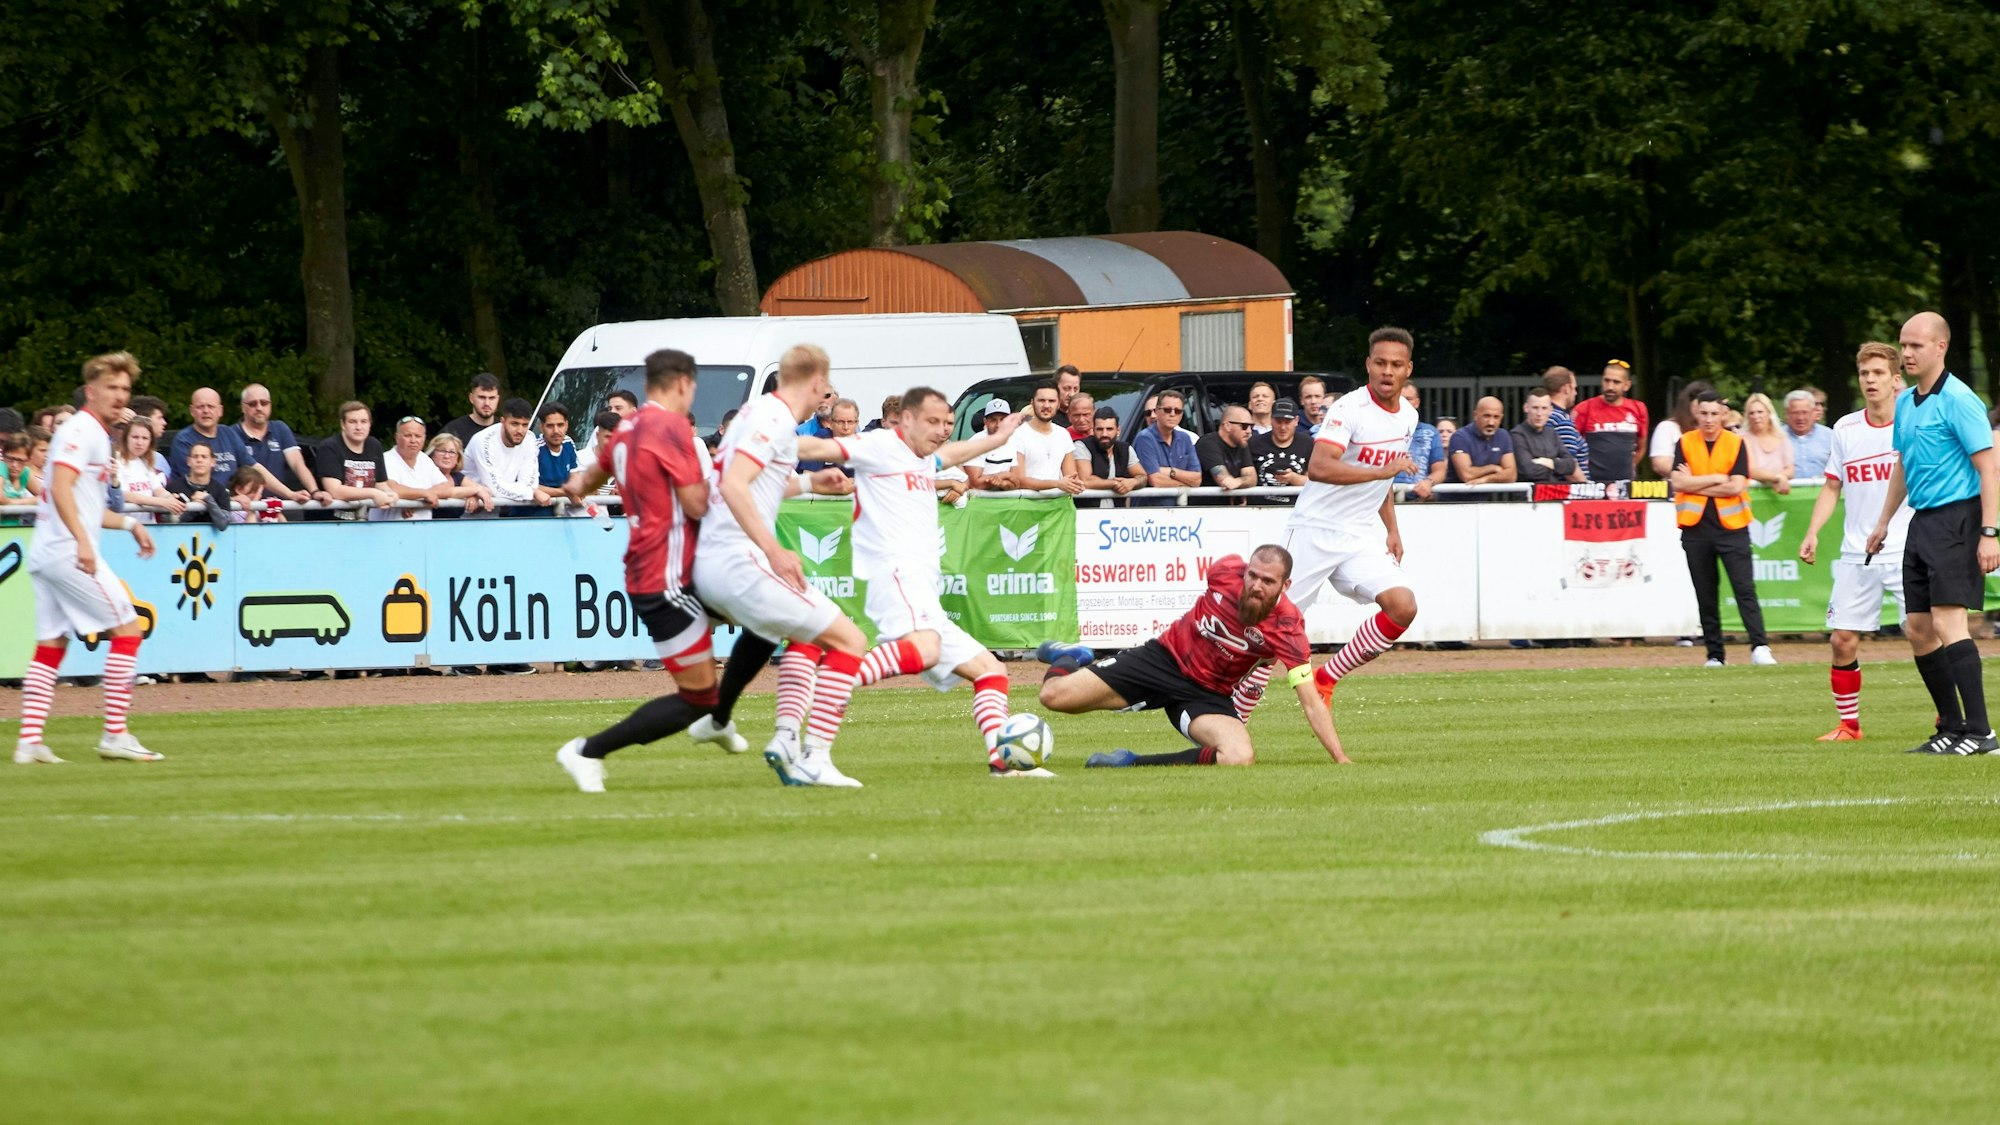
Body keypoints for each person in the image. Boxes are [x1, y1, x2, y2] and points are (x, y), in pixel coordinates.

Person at [812, 386, 1046, 777]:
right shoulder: (881, 444)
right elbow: (820, 450)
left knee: (990, 671)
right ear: (907, 419)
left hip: (923, 590)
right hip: (897, 575)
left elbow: (953, 454)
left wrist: (1001, 437)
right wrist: (759, 447)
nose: (942, 431)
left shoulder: (921, 459)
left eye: (948, 424)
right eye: (934, 422)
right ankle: (834, 679)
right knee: (926, 650)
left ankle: (1005, 762)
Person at [554, 349, 739, 792]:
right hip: (669, 575)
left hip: (659, 569)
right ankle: (586, 751)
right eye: (693, 385)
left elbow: (585, 480)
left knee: (771, 614)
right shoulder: (671, 427)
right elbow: (696, 503)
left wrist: (578, 486)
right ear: (682, 383)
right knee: (698, 695)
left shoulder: (627, 429)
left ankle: (720, 716)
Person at [694, 344, 875, 788]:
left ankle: (743, 726)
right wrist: (772, 550)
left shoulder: (760, 414)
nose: (826, 400)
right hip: (738, 562)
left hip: (715, 561)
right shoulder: (772, 419)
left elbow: (758, 481)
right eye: (826, 391)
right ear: (816, 383)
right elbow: (735, 486)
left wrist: (813, 480)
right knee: (850, 641)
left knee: (786, 631)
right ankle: (814, 757)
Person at [1036, 546, 1349, 766]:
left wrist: (1340, 757)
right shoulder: (1225, 571)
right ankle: (1070, 656)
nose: (1255, 585)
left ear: (1285, 585)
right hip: (1160, 660)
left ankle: (1130, 762)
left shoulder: (1287, 627)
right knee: (1053, 696)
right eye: (1252, 575)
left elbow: (1310, 700)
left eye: (1267, 581)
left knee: (1239, 756)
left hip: (1206, 695)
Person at [14, 351, 163, 765]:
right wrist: (82, 541)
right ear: (90, 391)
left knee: (51, 644)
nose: (120, 396)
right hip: (67, 552)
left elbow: (82, 502)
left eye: (125, 389)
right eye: (112, 388)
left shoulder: (92, 432)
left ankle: (29, 741)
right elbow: (59, 487)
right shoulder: (84, 430)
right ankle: (115, 734)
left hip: (47, 552)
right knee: (129, 629)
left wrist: (131, 525)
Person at [1865, 311, 2000, 756]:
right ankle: (1953, 727)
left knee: (1948, 621)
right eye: (1903, 345)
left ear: (1940, 347)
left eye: (1916, 345)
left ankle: (1981, 733)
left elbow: (1989, 467)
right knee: (1918, 627)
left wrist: (1989, 532)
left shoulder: (1961, 400)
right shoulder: (1905, 403)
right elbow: (1903, 465)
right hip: (1921, 521)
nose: (1906, 353)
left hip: (1957, 519)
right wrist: (1884, 522)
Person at [1282, 327, 1422, 718]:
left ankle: (1327, 679)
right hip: (1314, 528)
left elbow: (1386, 476)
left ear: (1408, 369)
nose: (1387, 371)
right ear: (1368, 365)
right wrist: (1381, 475)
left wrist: (1392, 529)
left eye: (1396, 364)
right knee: (1266, 637)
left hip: (1359, 535)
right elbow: (1320, 466)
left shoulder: (1408, 416)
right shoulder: (1348, 409)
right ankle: (1231, 715)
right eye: (1380, 363)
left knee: (1402, 606)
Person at [1799, 343, 1910, 741]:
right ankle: (1849, 726)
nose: (1870, 380)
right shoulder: (1845, 428)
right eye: (1865, 373)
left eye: (1879, 373)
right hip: (1856, 552)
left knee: (1925, 634)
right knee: (1842, 641)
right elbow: (1832, 487)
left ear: (1896, 379)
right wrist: (1812, 532)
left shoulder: (1913, 423)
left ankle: (1946, 719)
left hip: (1906, 549)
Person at [1672, 391, 1775, 667]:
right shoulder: (1685, 442)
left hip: (1732, 528)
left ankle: (1760, 646)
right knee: (1705, 594)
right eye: (1703, 413)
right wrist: (1718, 478)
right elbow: (1678, 483)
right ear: (1696, 413)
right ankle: (1715, 654)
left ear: (1723, 415)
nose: (1708, 419)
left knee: (1744, 589)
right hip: (1695, 529)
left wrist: (1698, 481)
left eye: (1714, 414)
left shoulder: (1735, 443)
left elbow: (1736, 485)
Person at [171, 388, 279, 496]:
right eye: (200, 407)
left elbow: (254, 467)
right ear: (192, 411)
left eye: (211, 406)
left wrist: (290, 494)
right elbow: (195, 484)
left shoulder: (228, 433)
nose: (206, 411)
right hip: (199, 507)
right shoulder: (183, 440)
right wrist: (229, 501)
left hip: (232, 505)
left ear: (220, 411)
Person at [234, 383, 325, 502]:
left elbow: (297, 464)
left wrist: (314, 491)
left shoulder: (280, 429)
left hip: (278, 508)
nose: (259, 408)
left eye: (264, 403)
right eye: (253, 404)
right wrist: (291, 494)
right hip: (246, 509)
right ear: (243, 407)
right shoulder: (232, 434)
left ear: (270, 405)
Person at [463, 397, 547, 516]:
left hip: (500, 507)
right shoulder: (483, 440)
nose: (520, 430)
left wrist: (529, 490)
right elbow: (494, 487)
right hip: (466, 507)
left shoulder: (530, 438)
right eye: (514, 424)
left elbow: (530, 482)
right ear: (502, 421)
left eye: (524, 425)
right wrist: (531, 493)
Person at [315, 402, 399, 516]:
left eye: (363, 422)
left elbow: (381, 483)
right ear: (343, 424)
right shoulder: (329, 447)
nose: (358, 427)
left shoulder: (374, 445)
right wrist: (373, 493)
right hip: (330, 522)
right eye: (352, 422)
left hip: (364, 521)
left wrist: (390, 494)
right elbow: (335, 491)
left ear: (370, 424)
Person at [1572, 359, 1650, 481]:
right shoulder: (1584, 408)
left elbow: (1641, 446)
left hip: (1625, 483)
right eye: (1606, 380)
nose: (1610, 387)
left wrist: (1630, 466)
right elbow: (1570, 446)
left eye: (1616, 382)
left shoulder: (1638, 408)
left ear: (1627, 385)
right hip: (1591, 484)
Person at [1003, 383, 1084, 494]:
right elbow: (1018, 480)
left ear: (1058, 404)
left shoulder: (1063, 434)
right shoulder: (1017, 435)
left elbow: (1071, 476)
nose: (1046, 405)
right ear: (1032, 403)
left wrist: (1075, 484)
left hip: (1059, 504)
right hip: (1027, 504)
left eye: (1051, 401)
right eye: (1041, 400)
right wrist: (1057, 483)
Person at [381, 417, 457, 520]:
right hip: (388, 530)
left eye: (418, 436)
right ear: (397, 437)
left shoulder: (424, 458)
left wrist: (415, 501)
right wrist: (424, 494)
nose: (413, 440)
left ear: (424, 438)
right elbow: (391, 488)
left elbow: (446, 488)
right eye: (408, 435)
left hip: (422, 531)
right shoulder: (386, 458)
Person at [1133, 389, 1202, 496]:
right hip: (1149, 508)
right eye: (1167, 410)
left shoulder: (1186, 438)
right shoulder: (1145, 438)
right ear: (1157, 411)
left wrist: (1171, 472)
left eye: (1177, 411)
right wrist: (1184, 485)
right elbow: (1155, 480)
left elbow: (1197, 479)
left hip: (1178, 508)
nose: (1172, 414)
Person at [112, 422, 180, 524]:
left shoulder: (146, 462)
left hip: (148, 526)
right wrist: (161, 502)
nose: (140, 443)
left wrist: (170, 498)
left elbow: (157, 489)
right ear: (126, 438)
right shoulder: (116, 462)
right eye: (135, 437)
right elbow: (125, 494)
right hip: (124, 527)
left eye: (145, 438)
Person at [1073, 405, 1145, 500]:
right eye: (1100, 429)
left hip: (1118, 512)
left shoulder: (1126, 449)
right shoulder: (1082, 446)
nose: (1104, 434)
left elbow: (1143, 476)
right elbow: (1086, 480)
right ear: (1093, 430)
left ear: (1118, 430)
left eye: (1109, 429)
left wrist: (1133, 482)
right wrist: (1116, 484)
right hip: (1089, 512)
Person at [1511, 390, 1580, 483]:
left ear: (1550, 410)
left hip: (1553, 494)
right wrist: (1558, 467)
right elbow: (1529, 471)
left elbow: (1571, 466)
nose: (1539, 413)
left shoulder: (1552, 433)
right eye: (1535, 408)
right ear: (1526, 408)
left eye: (1544, 408)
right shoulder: (1517, 434)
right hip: (1529, 494)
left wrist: (1549, 462)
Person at [1649, 380, 1714, 478]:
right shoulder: (1668, 427)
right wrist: (1695, 476)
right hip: (1678, 488)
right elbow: (1660, 463)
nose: (1704, 409)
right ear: (1689, 403)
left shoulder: (1716, 430)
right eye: (1699, 405)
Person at [1448, 396, 1518, 485]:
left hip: (1486, 497)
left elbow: (1511, 475)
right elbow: (1467, 475)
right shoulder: (1460, 437)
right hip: (1456, 498)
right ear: (1475, 415)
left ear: (1501, 418)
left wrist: (1487, 479)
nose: (1491, 422)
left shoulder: (1503, 436)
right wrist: (1492, 468)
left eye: (1496, 417)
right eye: (1486, 416)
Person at [1392, 383, 1445, 499]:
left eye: (1409, 399)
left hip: (1418, 499)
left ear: (1417, 402)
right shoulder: (1379, 430)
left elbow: (1440, 469)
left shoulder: (1431, 432)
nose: (1404, 403)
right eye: (1399, 399)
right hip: (1383, 500)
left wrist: (1429, 482)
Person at [423, 433, 493, 518]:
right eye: (442, 451)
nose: (447, 456)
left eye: (452, 452)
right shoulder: (425, 474)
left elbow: (487, 490)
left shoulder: (457, 476)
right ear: (432, 454)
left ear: (458, 458)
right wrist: (474, 491)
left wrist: (473, 496)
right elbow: (444, 491)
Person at [1249, 398, 1310, 493]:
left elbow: (1315, 482)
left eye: (1287, 422)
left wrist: (1294, 478)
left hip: (1296, 505)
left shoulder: (1308, 443)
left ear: (1296, 421)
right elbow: (1247, 476)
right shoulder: (1253, 443)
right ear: (1271, 420)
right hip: (1259, 506)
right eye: (1278, 421)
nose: (1282, 427)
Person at [1739, 392, 1795, 494]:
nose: (1756, 416)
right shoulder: (1742, 438)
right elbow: (1751, 470)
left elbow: (1790, 469)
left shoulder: (1782, 437)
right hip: (1752, 494)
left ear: (1769, 413)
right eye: (1752, 413)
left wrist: (1780, 478)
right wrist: (1777, 478)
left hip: (1779, 493)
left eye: (1760, 412)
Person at [1196, 404, 1259, 493]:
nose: (1249, 431)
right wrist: (1240, 482)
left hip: (1231, 505)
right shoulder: (1207, 443)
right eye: (1244, 426)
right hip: (1206, 505)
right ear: (1227, 426)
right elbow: (1225, 481)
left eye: (1251, 426)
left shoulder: (1242, 443)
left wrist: (1239, 481)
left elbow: (1252, 478)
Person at [164, 441, 232, 523]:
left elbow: (223, 524)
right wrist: (194, 509)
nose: (199, 460)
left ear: (213, 462)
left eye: (204, 457)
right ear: (188, 461)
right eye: (195, 456)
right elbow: (168, 524)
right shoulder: (173, 487)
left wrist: (209, 501)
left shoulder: (220, 490)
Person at [1540, 367, 1591, 476]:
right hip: (1570, 490)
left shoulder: (1542, 417)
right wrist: (1587, 487)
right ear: (1567, 388)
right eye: (1574, 388)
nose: (1576, 393)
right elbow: (1569, 466)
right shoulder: (1561, 420)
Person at [963, 400, 1020, 489]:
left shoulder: (1013, 441)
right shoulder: (976, 442)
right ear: (985, 422)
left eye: (1003, 419)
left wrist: (1003, 484)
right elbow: (974, 483)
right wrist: (1005, 475)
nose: (998, 425)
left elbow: (1016, 481)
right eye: (993, 420)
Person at [534, 402, 578, 510]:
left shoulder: (568, 442)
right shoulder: (533, 447)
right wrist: (565, 492)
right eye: (550, 426)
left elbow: (575, 475)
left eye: (560, 425)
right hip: (534, 512)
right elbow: (529, 487)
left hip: (563, 510)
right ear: (541, 427)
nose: (556, 431)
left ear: (566, 425)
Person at [1784, 389, 1835, 479]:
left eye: (1805, 412)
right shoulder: (1776, 437)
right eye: (1795, 413)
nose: (1800, 418)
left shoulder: (1830, 436)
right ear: (1787, 414)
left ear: (1813, 412)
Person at [440, 373, 502, 446]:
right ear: (471, 398)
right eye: (482, 397)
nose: (487, 403)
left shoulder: (504, 430)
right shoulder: (453, 431)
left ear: (498, 399)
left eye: (492, 398)